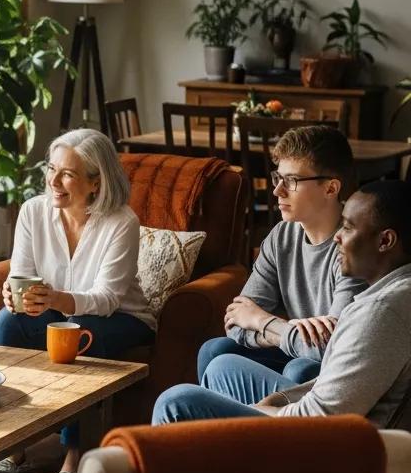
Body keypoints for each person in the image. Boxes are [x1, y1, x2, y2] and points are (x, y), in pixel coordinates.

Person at [153, 180, 411, 428]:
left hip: (334, 449)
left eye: (348, 227)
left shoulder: (382, 312)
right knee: (221, 364)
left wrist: (262, 411)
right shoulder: (393, 292)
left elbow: (321, 418)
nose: (337, 238)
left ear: (385, 241)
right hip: (324, 415)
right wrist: (283, 398)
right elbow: (341, 379)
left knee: (177, 402)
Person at [0, 128, 156, 473]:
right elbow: (22, 274)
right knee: (7, 321)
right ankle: (11, 441)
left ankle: (76, 448)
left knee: (79, 332)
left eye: (68, 174)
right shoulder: (33, 212)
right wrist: (15, 296)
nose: (54, 181)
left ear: (96, 182)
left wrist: (54, 299)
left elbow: (107, 298)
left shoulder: (121, 222)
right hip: (60, 312)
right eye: (51, 169)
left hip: (120, 318)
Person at [197, 125, 364, 392]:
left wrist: (264, 321)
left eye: (292, 181)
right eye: (278, 177)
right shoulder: (281, 236)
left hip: (336, 370)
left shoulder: (353, 245)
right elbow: (236, 321)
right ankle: (228, 432)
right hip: (297, 348)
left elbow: (334, 347)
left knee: (301, 368)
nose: (277, 191)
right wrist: (291, 332)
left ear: (331, 188)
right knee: (215, 349)